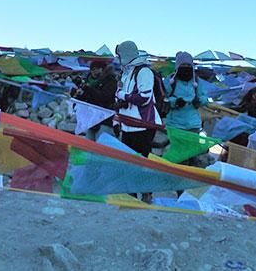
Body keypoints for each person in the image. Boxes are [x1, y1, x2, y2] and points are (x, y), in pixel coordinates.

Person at [114, 41, 163, 203]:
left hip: (143, 125)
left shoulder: (144, 72)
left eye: (120, 54)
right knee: (128, 162)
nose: (118, 58)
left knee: (143, 162)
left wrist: (122, 96)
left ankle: (146, 193)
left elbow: (144, 98)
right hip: (128, 124)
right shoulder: (126, 72)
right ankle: (131, 194)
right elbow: (122, 94)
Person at [73, 60, 118, 141]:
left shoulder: (110, 81)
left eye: (96, 69)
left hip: (105, 119)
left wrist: (87, 88)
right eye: (92, 69)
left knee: (102, 145)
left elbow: (104, 97)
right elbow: (85, 98)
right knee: (89, 146)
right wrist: (77, 95)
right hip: (91, 120)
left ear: (102, 69)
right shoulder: (90, 81)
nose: (93, 71)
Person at [164, 51, 207, 132]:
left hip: (193, 124)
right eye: (183, 65)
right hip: (174, 124)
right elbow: (164, 98)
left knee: (192, 145)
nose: (186, 67)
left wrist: (199, 101)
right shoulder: (170, 80)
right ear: (177, 66)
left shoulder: (197, 81)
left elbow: (204, 97)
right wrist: (175, 102)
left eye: (188, 65)